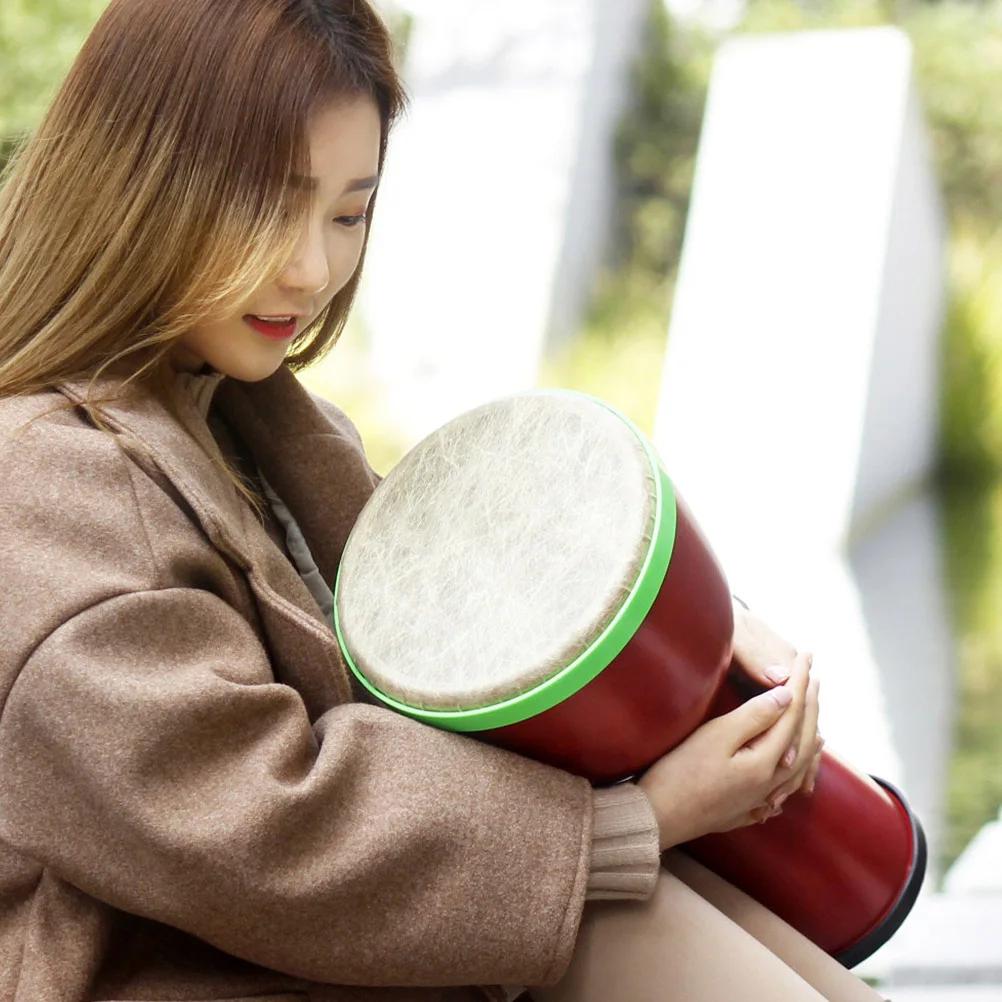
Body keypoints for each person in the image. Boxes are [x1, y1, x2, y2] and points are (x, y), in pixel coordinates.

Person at [0, 1, 886, 1000]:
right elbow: (259, 826)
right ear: (137, 181)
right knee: (632, 904)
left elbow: (465, 622)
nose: (312, 269)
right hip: (210, 966)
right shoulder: (44, 487)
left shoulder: (262, 422)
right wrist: (635, 824)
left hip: (368, 944)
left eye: (348, 212)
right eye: (268, 205)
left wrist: (708, 638)